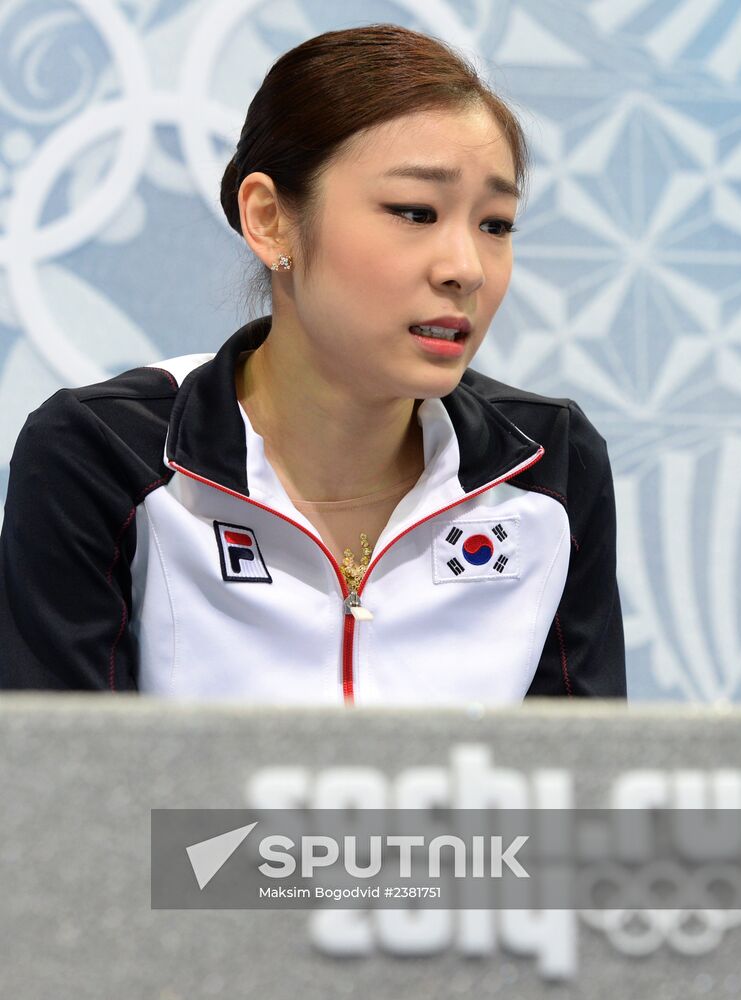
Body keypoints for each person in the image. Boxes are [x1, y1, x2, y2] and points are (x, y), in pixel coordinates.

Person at [0, 24, 625, 701]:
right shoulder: (105, 454)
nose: (466, 269)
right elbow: (66, 789)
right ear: (269, 219)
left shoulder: (549, 463)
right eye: (415, 212)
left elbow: (579, 792)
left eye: (495, 224)